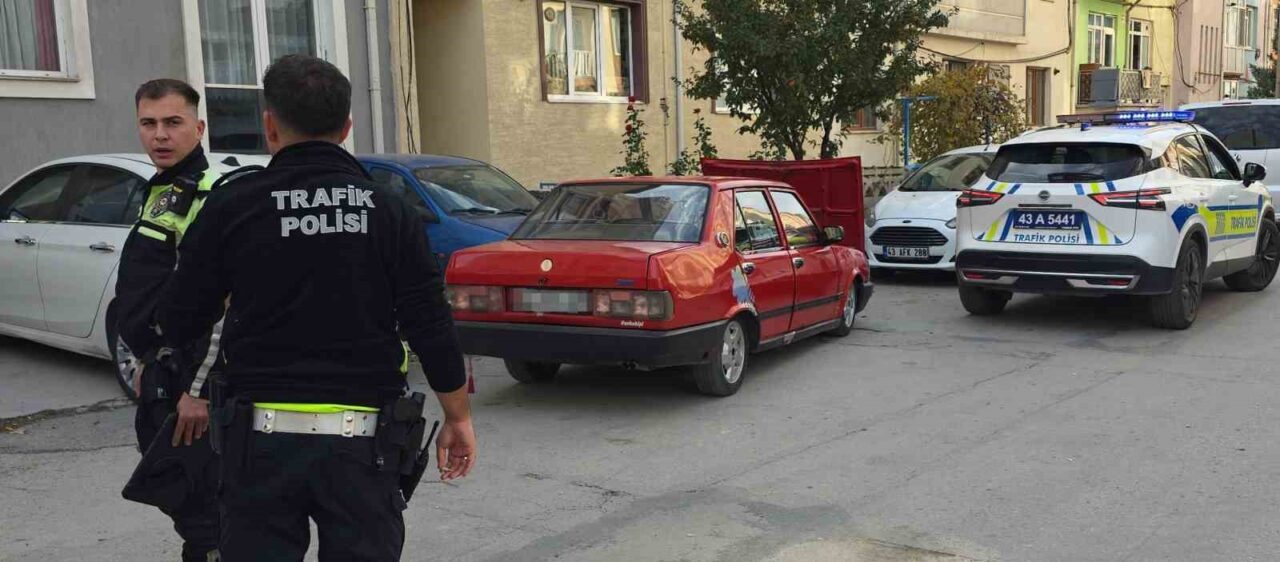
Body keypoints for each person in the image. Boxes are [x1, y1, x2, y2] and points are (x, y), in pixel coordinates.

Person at [156, 54, 476, 561]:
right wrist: (457, 417)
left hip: (258, 447)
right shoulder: (388, 210)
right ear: (346, 128)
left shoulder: (234, 205)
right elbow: (430, 323)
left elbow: (177, 320)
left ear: (270, 126)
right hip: (364, 450)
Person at [115, 78, 223, 562]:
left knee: (205, 506)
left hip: (192, 379)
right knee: (181, 496)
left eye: (173, 122)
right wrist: (144, 358)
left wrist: (198, 389)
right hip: (161, 370)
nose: (159, 134)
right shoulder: (161, 189)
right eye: (149, 123)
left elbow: (224, 304)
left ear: (198, 129)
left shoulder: (211, 195)